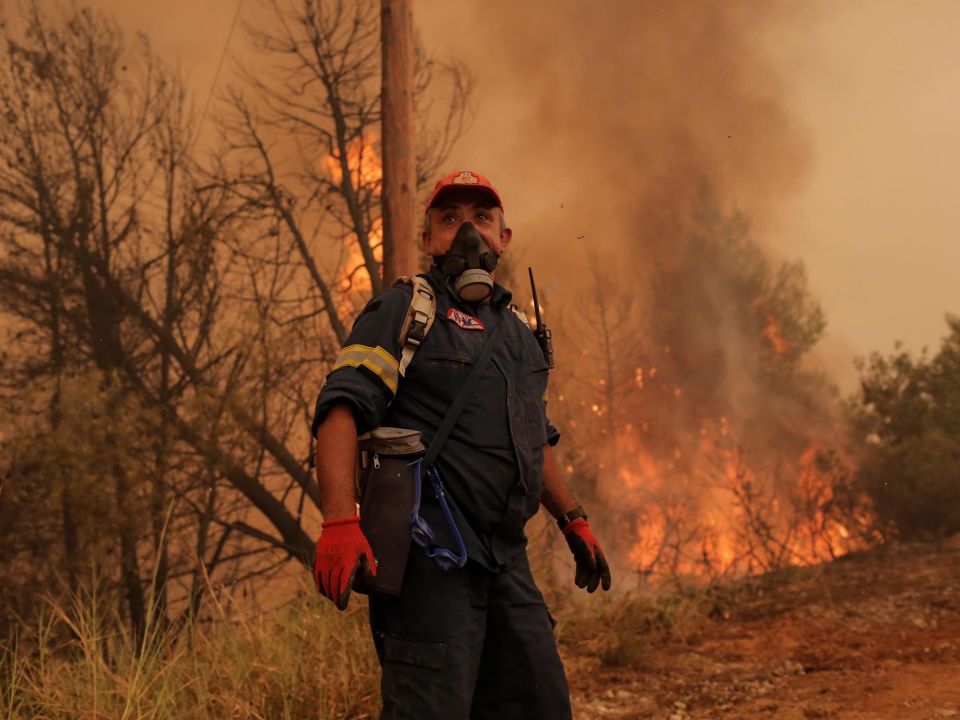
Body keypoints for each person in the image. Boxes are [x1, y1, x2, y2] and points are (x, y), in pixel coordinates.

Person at [311, 170, 611, 719]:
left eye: (481, 219)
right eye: (450, 220)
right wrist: (338, 520)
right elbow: (340, 409)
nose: (467, 232)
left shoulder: (519, 332)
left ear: (504, 237)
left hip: (506, 563)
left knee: (542, 704)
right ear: (428, 241)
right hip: (431, 567)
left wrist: (573, 519)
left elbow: (535, 438)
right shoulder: (404, 310)